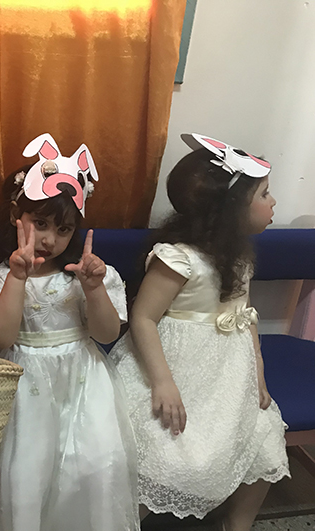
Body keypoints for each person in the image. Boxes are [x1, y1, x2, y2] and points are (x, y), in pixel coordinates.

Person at [112, 133, 290, 530]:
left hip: (227, 374)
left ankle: (238, 523)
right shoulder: (179, 258)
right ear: (230, 207)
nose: (274, 202)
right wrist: (163, 383)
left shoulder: (239, 256)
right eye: (264, 194)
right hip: (176, 368)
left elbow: (244, 316)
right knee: (164, 451)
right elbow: (143, 318)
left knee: (265, 440)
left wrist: (257, 375)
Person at [0, 134, 139, 531]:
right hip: (24, 385)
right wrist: (17, 278)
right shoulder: (1, 277)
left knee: (95, 466)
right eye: (40, 223)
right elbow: (0, 338)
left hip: (84, 383)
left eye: (63, 229)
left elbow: (107, 333)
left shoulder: (84, 274)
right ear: (17, 215)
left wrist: (93, 289)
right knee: (26, 473)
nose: (49, 239)